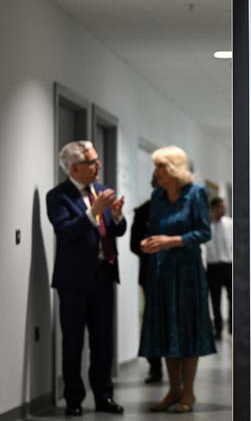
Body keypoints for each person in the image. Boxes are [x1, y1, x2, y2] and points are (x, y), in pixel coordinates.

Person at [46, 140, 126, 416]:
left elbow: (117, 231)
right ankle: (74, 399)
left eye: (97, 160)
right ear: (75, 169)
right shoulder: (57, 196)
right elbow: (66, 231)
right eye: (93, 162)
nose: (98, 166)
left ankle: (104, 396)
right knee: (73, 343)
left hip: (104, 275)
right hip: (73, 282)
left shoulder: (101, 191)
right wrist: (93, 212)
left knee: (103, 342)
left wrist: (115, 215)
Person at [138, 145, 216, 413]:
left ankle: (188, 392)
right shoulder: (157, 197)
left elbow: (205, 233)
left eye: (160, 166)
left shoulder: (196, 194)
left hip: (188, 272)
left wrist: (173, 241)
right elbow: (153, 229)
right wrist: (149, 243)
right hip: (161, 271)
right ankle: (172, 390)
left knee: (188, 330)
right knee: (166, 329)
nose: (156, 172)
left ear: (173, 168)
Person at [130, 175, 163, 384]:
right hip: (150, 272)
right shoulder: (143, 211)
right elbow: (134, 245)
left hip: (176, 271)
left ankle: (177, 366)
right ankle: (155, 366)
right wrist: (150, 247)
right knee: (152, 320)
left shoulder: (181, 209)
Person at [205, 197, 233, 339]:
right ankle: (218, 329)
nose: (224, 210)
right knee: (215, 300)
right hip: (213, 267)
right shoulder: (206, 226)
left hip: (228, 265)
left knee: (232, 297)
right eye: (222, 207)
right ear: (214, 208)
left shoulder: (229, 224)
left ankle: (233, 326)